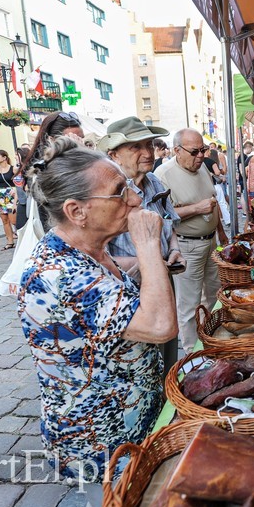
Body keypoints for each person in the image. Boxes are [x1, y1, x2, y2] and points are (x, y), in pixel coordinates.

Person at [18, 137, 177, 485]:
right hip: (102, 447)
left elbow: (101, 292)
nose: (134, 200)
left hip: (135, 428)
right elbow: (161, 325)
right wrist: (148, 244)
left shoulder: (85, 252)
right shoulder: (59, 274)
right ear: (77, 212)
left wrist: (133, 265)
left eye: (130, 187)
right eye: (120, 191)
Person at [98, 116, 186, 376]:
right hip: (126, 288)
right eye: (136, 147)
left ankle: (167, 398)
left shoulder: (155, 183)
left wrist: (174, 250)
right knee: (141, 363)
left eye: (149, 144)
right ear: (114, 154)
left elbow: (171, 224)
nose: (147, 152)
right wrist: (144, 264)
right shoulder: (106, 193)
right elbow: (96, 254)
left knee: (168, 350)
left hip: (162, 278)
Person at [155, 128, 227, 352]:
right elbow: (161, 216)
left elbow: (212, 201)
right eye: (195, 151)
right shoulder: (163, 175)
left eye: (203, 150)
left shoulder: (201, 168)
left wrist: (221, 233)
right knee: (189, 304)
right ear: (177, 150)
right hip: (187, 245)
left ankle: (211, 339)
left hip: (210, 242)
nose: (201, 156)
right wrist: (197, 209)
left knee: (214, 294)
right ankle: (190, 353)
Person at [13, 147, 29, 230]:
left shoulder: (29, 168)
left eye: (16, 155)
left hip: (30, 200)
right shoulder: (17, 168)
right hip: (22, 201)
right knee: (20, 226)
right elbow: (17, 187)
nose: (15, 156)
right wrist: (15, 203)